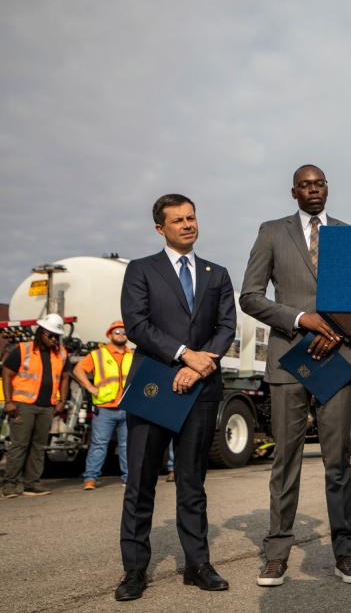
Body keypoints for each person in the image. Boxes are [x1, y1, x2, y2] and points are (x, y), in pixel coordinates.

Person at [240, 164, 351, 586]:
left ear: (327, 188)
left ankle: (345, 553)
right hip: (289, 360)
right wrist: (300, 318)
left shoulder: (347, 234)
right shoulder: (272, 232)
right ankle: (277, 552)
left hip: (338, 358)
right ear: (294, 192)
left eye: (320, 184)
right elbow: (250, 296)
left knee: (338, 463)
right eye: (306, 186)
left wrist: (337, 328)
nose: (314, 190)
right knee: (285, 460)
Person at [115, 194, 237, 602]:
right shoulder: (141, 270)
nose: (187, 224)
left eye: (191, 217)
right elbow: (137, 325)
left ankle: (197, 565)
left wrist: (199, 366)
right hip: (153, 387)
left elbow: (225, 326)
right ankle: (134, 570)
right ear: (160, 228)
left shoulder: (216, 273)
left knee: (192, 483)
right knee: (141, 482)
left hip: (200, 389)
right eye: (178, 220)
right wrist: (185, 355)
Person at [1, 313, 69, 498]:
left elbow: (65, 376)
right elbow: (6, 373)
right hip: (23, 405)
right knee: (19, 445)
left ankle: (32, 484)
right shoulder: (23, 349)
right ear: (41, 332)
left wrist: (61, 400)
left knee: (38, 446)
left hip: (47, 406)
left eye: (57, 336)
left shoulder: (61, 353)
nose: (54, 339)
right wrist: (8, 402)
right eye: (50, 335)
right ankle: (9, 484)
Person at [74, 320, 133, 489]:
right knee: (99, 444)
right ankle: (90, 478)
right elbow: (78, 369)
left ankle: (129, 478)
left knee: (127, 445)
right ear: (109, 335)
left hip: (127, 407)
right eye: (117, 332)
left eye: (124, 331)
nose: (121, 334)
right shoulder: (98, 354)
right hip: (105, 408)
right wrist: (90, 387)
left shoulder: (132, 355)